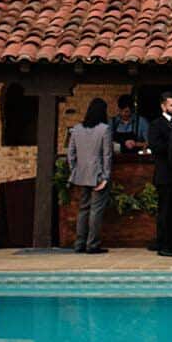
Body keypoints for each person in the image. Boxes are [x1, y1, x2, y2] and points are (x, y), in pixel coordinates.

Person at [66, 98, 113, 255]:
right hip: (98, 174)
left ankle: (79, 243)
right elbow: (107, 155)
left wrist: (74, 170)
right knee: (96, 210)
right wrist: (106, 176)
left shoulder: (77, 128)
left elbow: (70, 153)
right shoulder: (104, 129)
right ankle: (92, 244)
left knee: (83, 209)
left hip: (81, 173)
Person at [149, 92, 172, 257]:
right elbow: (156, 147)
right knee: (166, 211)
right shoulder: (156, 125)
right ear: (163, 106)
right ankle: (164, 245)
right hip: (165, 174)